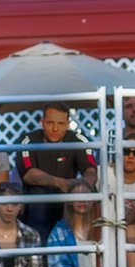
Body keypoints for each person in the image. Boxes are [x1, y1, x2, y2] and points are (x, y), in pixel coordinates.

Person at [15, 101, 97, 245]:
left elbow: (90, 170)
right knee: (38, 194)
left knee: (91, 192)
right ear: (42, 122)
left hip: (69, 197)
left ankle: (90, 250)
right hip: (37, 201)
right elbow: (28, 174)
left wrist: (82, 186)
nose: (55, 128)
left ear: (67, 124)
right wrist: (61, 183)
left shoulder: (78, 140)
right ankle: (40, 259)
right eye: (50, 123)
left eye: (60, 123)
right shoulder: (29, 140)